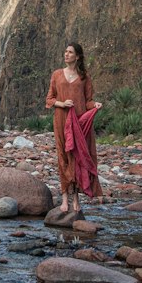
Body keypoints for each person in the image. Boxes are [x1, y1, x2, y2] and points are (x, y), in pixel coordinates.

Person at [45, 42, 103, 218]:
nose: (66, 54)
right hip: (62, 120)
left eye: (70, 52)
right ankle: (64, 198)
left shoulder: (84, 77)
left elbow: (88, 101)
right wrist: (62, 103)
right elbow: (50, 99)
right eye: (65, 51)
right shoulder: (56, 75)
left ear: (77, 56)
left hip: (79, 122)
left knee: (77, 158)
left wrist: (96, 105)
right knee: (63, 157)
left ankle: (76, 198)